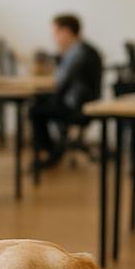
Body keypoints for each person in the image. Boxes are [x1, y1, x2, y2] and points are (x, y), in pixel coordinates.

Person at [29, 13, 103, 166]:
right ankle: (53, 150)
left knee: (35, 110)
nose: (54, 38)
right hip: (80, 102)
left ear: (67, 31)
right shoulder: (80, 49)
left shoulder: (78, 53)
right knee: (39, 103)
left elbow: (60, 82)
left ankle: (51, 152)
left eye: (56, 33)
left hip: (78, 106)